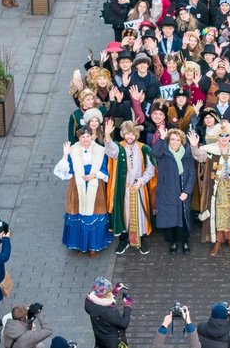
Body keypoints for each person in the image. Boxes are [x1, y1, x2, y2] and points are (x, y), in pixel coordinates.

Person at [189, 121, 230, 256]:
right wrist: (193, 146)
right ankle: (218, 241)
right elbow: (199, 156)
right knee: (216, 215)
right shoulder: (211, 150)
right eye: (221, 135)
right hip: (215, 191)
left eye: (227, 135)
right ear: (217, 136)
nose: (224, 138)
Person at [53, 125, 112, 255]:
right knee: (78, 214)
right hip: (77, 186)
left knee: (94, 215)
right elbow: (64, 171)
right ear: (78, 138)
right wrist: (65, 155)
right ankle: (81, 245)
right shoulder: (73, 150)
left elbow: (106, 171)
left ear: (92, 136)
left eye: (87, 136)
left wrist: (94, 175)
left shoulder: (101, 151)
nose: (85, 139)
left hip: (95, 185)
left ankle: (93, 247)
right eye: (82, 136)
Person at [106, 121, 156, 255]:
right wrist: (107, 136)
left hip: (139, 187)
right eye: (127, 134)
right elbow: (110, 151)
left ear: (136, 135)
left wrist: (141, 181)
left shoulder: (144, 148)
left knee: (140, 214)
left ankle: (141, 240)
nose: (129, 137)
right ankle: (124, 240)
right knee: (124, 214)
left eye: (132, 134)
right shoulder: (119, 147)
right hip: (124, 189)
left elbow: (151, 170)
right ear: (123, 134)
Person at [152, 126, 196, 255]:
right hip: (168, 190)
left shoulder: (187, 154)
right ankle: (173, 242)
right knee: (170, 217)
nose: (175, 142)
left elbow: (191, 174)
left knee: (184, 216)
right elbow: (155, 152)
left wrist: (187, 191)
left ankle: (185, 241)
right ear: (168, 140)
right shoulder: (164, 153)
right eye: (172, 139)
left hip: (183, 189)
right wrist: (161, 138)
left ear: (181, 141)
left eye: (178, 140)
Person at [85, 277, 131, 348]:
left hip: (101, 339)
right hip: (114, 343)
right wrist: (127, 306)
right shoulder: (109, 312)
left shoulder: (90, 302)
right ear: (105, 295)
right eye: (110, 291)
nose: (111, 292)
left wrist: (115, 292)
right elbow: (124, 324)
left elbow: (104, 299)